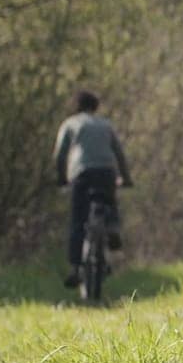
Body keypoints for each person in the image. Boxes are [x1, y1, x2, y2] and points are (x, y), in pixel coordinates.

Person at [53, 91, 133, 287]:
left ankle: (75, 267)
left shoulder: (71, 123)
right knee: (109, 201)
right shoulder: (106, 125)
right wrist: (126, 178)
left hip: (82, 172)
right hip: (107, 171)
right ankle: (112, 227)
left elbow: (60, 154)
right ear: (96, 106)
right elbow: (119, 153)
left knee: (78, 219)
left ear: (76, 106)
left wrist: (62, 178)